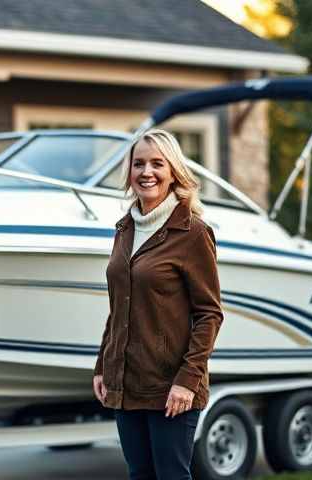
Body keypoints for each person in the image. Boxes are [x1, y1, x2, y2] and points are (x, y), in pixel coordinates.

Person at [92, 129, 223, 480]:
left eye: (156, 164)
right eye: (138, 164)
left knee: (171, 476)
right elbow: (118, 307)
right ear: (129, 172)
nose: (146, 172)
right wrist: (102, 366)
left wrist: (188, 379)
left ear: (173, 172)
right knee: (140, 475)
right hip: (126, 382)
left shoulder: (192, 232)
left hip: (171, 386)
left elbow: (210, 315)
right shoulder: (124, 229)